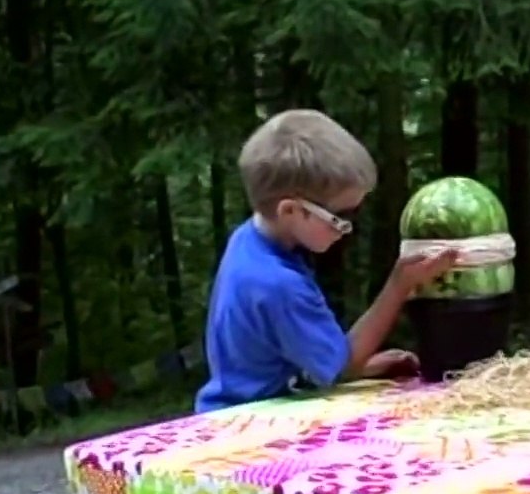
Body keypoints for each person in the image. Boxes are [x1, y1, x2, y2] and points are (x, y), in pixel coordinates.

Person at [195, 109, 457, 413]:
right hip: (250, 418)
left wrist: (359, 366)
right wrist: (400, 285)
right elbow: (341, 369)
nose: (349, 229)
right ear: (290, 211)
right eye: (341, 217)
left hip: (232, 405)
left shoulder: (250, 241)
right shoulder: (277, 283)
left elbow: (283, 354)